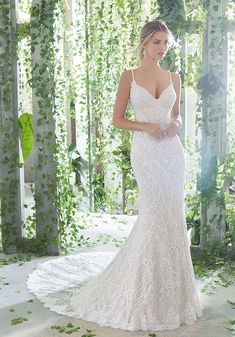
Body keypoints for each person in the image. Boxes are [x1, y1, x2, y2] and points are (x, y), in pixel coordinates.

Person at [26, 20, 203, 331]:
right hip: (147, 153)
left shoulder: (174, 76)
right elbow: (118, 120)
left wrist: (174, 125)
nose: (162, 48)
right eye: (157, 42)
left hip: (173, 154)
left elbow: (175, 116)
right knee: (152, 216)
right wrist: (147, 126)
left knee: (172, 216)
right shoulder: (130, 77)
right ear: (145, 43)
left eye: (165, 43)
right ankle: (142, 293)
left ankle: (173, 295)